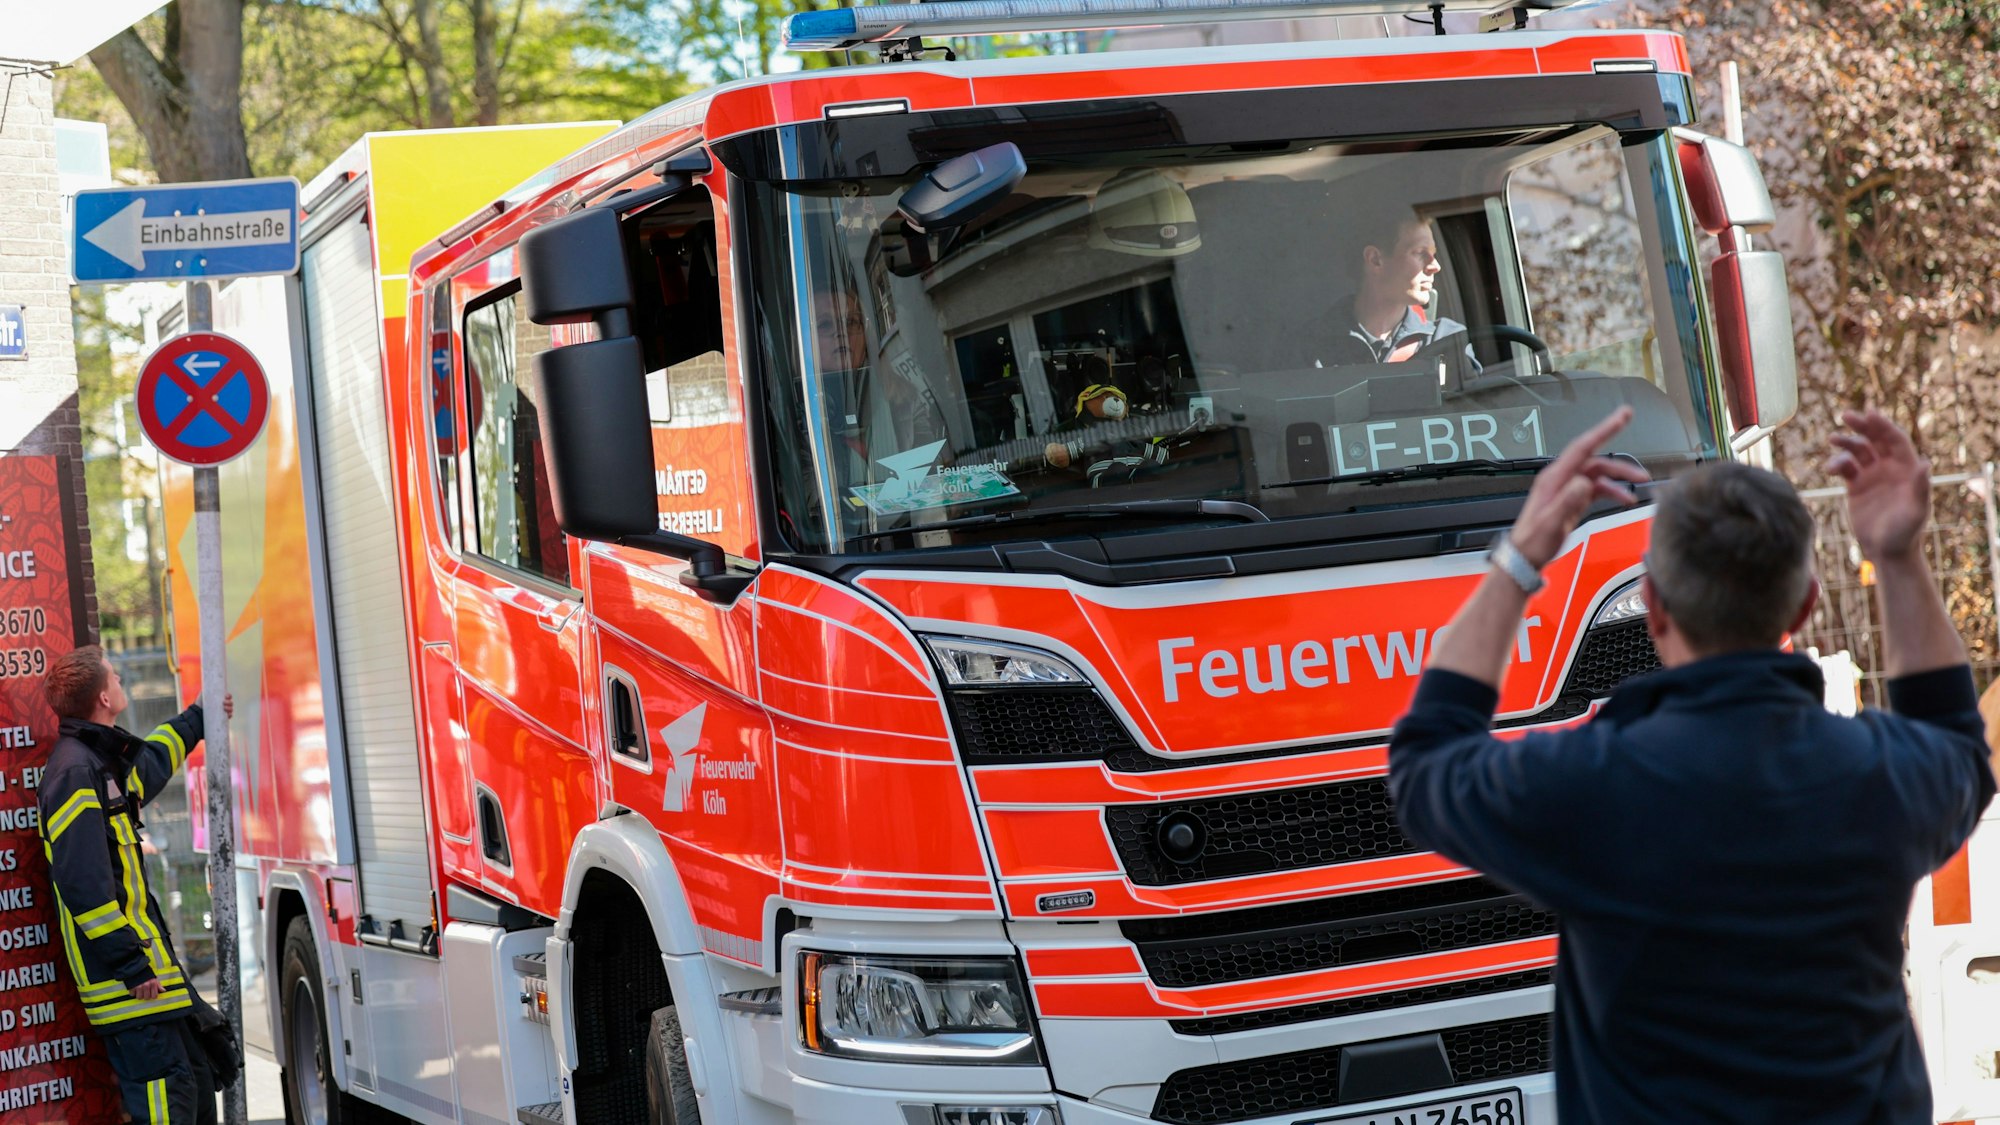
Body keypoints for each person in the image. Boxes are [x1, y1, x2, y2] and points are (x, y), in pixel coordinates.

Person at [1388, 408, 1994, 1123]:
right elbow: (1957, 740)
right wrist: (1898, 556)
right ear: (1803, 605)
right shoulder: (1877, 775)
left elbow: (1424, 760)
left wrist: (1522, 556)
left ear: (1653, 607)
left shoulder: (1588, 784)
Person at [38, 646, 238, 1125]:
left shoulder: (98, 762)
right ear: (104, 697)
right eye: (117, 678)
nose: (122, 683)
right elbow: (83, 885)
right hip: (131, 990)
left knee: (194, 1092)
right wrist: (131, 965)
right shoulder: (75, 772)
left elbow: (151, 763)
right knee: (167, 1109)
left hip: (151, 986)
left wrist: (198, 718)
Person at [1310, 204, 1477, 370]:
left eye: (1433, 254)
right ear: (1375, 259)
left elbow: (1476, 396)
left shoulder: (1448, 340)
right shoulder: (1313, 345)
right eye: (1420, 252)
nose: (1435, 266)